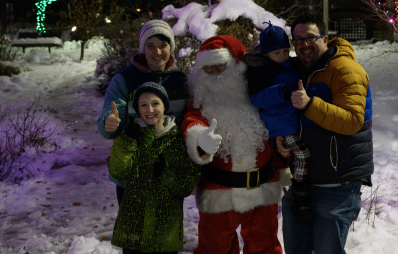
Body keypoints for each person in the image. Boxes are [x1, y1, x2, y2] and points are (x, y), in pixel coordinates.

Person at [181, 35, 291, 254]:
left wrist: (283, 162)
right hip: (218, 191)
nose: (213, 73)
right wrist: (200, 137)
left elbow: (278, 122)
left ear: (236, 66)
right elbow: (192, 120)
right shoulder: (200, 97)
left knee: (265, 247)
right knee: (215, 248)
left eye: (219, 66)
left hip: (263, 187)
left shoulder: (258, 91)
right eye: (207, 68)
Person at [279, 14, 373, 254]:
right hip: (305, 181)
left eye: (310, 37)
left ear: (325, 39)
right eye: (298, 39)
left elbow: (352, 121)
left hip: (337, 182)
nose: (304, 44)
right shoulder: (301, 70)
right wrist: (282, 137)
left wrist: (311, 105)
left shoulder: (345, 69)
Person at [97, 19, 189, 204]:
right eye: (150, 46)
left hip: (168, 175)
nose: (157, 52)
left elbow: (189, 120)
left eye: (163, 45)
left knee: (166, 232)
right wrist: (110, 123)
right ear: (142, 48)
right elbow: (110, 118)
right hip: (132, 176)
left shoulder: (181, 81)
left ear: (170, 47)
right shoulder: (125, 79)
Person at [108, 81, 200, 254]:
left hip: (165, 230)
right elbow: (118, 171)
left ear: (164, 106)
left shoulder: (176, 140)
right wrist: (126, 140)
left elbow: (186, 184)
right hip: (133, 228)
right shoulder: (132, 136)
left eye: (155, 103)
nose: (150, 110)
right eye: (143, 105)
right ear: (138, 109)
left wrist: (165, 173)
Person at [245, 22, 311, 219]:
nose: (282, 56)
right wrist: (279, 92)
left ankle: (301, 184)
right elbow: (256, 98)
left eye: (285, 50)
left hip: (295, 120)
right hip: (280, 124)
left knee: (305, 153)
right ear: (266, 54)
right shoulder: (261, 71)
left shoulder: (291, 64)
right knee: (302, 154)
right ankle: (299, 188)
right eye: (277, 53)